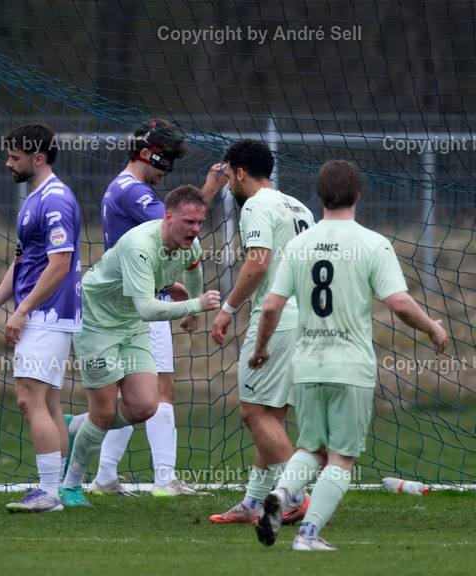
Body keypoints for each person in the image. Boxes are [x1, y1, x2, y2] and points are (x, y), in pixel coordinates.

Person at [251, 159, 448, 551]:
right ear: (358, 194)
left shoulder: (298, 245)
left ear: (319, 194)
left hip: (306, 367)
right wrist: (432, 327)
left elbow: (271, 307)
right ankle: (308, 535)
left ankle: (282, 493)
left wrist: (260, 349)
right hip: (350, 368)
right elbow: (399, 303)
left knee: (311, 449)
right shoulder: (373, 243)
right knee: (341, 458)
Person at [60, 185, 221, 507]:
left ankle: (75, 425)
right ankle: (71, 486)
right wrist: (196, 305)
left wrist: (192, 307)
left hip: (130, 326)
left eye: (200, 222)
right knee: (104, 412)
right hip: (97, 323)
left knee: (145, 406)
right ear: (168, 217)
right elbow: (148, 309)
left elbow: (194, 268)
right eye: (189, 222)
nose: (195, 229)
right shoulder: (139, 246)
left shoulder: (190, 245)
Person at [67, 118, 203, 497]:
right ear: (146, 154)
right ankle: (163, 480)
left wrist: (173, 285)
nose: (166, 173)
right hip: (133, 305)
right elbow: (177, 226)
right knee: (160, 391)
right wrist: (209, 190)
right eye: (164, 164)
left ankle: (104, 472)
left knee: (138, 398)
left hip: (138, 295)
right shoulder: (133, 192)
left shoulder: (124, 188)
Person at [0, 123, 81, 512]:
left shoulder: (56, 199)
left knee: (28, 398)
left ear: (38, 158)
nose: (8, 163)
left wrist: (21, 311)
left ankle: (49, 493)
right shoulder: (34, 199)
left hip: (47, 313)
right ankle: (58, 490)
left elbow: (60, 263)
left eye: (14, 157)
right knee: (48, 403)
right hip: (45, 312)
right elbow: (23, 263)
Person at [202, 139, 313, 524]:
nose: (229, 183)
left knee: (251, 412)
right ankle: (253, 502)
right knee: (270, 414)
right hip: (305, 321)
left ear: (240, 173)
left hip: (278, 320)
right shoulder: (299, 206)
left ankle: (295, 495)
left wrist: (227, 310)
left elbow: (258, 264)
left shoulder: (255, 205)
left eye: (229, 175)